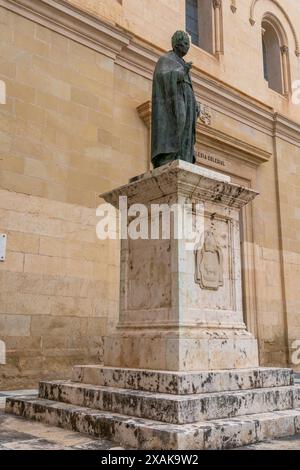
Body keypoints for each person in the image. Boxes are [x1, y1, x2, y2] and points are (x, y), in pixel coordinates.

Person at [151, 31, 199, 169]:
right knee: (180, 121)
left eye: (188, 44)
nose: (187, 47)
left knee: (187, 127)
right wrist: (180, 73)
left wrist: (194, 103)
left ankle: (184, 155)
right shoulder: (166, 59)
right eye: (185, 44)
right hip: (175, 99)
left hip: (187, 99)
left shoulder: (183, 62)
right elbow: (162, 77)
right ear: (176, 44)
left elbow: (189, 86)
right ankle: (170, 155)